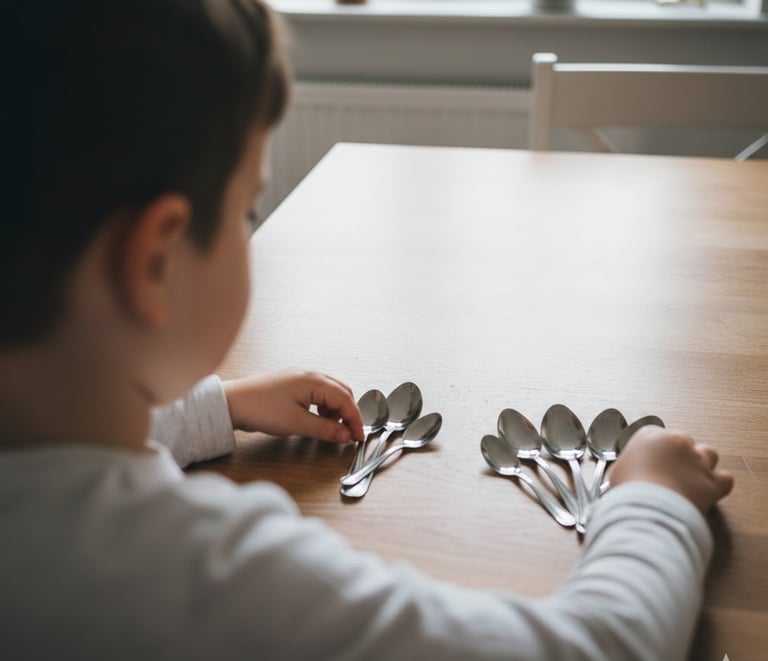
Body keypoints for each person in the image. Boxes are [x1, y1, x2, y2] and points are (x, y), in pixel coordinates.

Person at [0, 1, 734, 659]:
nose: (250, 229)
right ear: (156, 263)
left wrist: (216, 406)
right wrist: (652, 501)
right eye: (246, 212)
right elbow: (597, 648)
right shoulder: (214, 582)